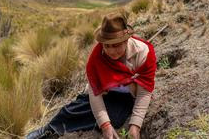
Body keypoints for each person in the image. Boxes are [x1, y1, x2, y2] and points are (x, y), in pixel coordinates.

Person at [26, 13, 157, 139]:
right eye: (107, 46)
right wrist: (105, 125)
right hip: (104, 91)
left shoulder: (143, 53)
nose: (111, 51)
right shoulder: (97, 57)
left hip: (127, 95)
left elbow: (144, 92)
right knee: (71, 110)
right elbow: (95, 93)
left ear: (126, 39)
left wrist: (135, 125)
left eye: (116, 45)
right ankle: (48, 130)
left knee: (115, 118)